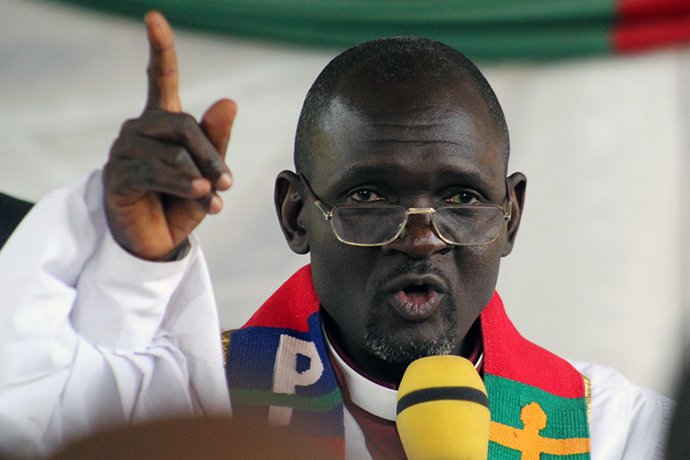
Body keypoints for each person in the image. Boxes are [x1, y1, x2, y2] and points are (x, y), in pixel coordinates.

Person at [0, 11, 672, 460]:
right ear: (296, 215)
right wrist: (132, 266)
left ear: (510, 217)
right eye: (371, 196)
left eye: (461, 198)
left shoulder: (618, 434)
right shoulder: (199, 407)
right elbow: (34, 414)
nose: (420, 238)